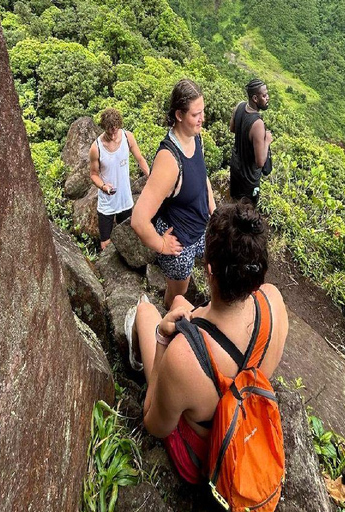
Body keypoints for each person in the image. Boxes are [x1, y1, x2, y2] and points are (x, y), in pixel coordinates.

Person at [125, 200, 288, 485]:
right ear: (257, 275)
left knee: (146, 312)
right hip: (240, 415)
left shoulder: (184, 357)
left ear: (209, 270)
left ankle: (140, 346)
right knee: (179, 302)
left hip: (204, 455)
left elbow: (155, 425)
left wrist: (163, 339)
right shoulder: (274, 301)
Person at [131, 79, 216, 309]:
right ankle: (167, 316)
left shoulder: (195, 137)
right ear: (179, 115)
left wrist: (214, 214)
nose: (202, 119)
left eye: (203, 111)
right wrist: (161, 245)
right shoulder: (169, 161)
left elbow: (202, 176)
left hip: (201, 225)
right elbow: (138, 220)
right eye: (196, 114)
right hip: (179, 241)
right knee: (180, 294)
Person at [89, 108, 150, 251]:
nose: (113, 134)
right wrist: (104, 186)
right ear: (104, 128)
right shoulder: (96, 147)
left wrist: (150, 176)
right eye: (109, 131)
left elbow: (140, 159)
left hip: (125, 199)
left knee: (126, 238)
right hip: (107, 202)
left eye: (115, 130)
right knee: (105, 242)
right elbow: (93, 174)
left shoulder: (128, 137)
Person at [229, 78, 273, 204]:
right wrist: (267, 141)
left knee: (234, 205)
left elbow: (232, 128)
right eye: (264, 95)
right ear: (255, 98)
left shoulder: (240, 106)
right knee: (247, 213)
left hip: (235, 169)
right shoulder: (257, 123)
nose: (267, 98)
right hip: (248, 179)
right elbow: (260, 162)